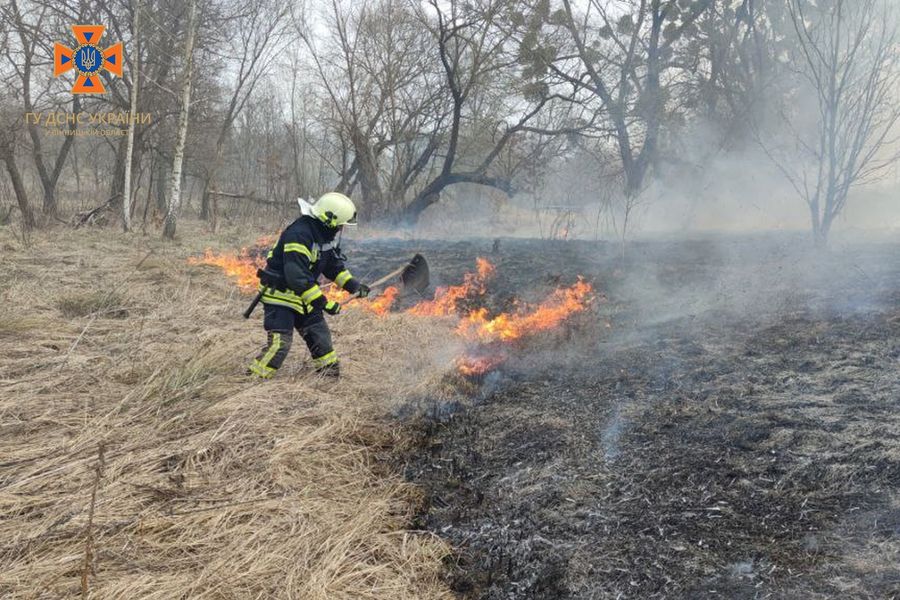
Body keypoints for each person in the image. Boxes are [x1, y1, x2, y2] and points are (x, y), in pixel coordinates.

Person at [248, 192, 369, 379]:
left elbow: (333, 267)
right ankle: (252, 380)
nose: (341, 228)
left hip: (304, 297)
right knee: (281, 344)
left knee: (321, 340)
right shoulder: (299, 234)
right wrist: (323, 303)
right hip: (281, 296)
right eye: (340, 224)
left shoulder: (324, 236)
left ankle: (328, 380)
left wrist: (354, 286)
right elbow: (297, 277)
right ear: (329, 220)